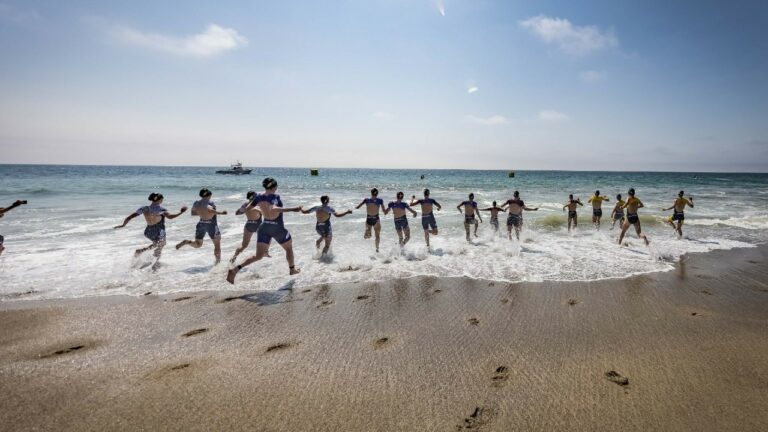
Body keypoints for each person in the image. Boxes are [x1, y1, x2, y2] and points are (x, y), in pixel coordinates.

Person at [228, 177, 302, 283]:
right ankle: (292, 270)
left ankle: (235, 270)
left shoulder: (258, 197)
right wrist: (293, 209)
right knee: (289, 248)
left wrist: (240, 211)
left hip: (264, 227)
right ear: (274, 186)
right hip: (276, 227)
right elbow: (274, 208)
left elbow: (245, 209)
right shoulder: (275, 196)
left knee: (258, 256)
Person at [114, 193, 186, 269]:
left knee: (157, 244)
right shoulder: (161, 209)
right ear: (160, 200)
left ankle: (142, 252)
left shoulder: (144, 208)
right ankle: (154, 264)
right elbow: (170, 217)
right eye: (162, 199)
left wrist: (123, 225)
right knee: (160, 245)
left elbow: (129, 217)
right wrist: (181, 212)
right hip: (159, 230)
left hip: (148, 231)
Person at [175, 188, 227, 264]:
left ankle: (187, 242)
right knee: (217, 245)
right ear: (209, 195)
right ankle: (217, 263)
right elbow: (210, 209)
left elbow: (193, 213)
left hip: (201, 224)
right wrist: (221, 213)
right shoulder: (211, 203)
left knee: (198, 245)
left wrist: (203, 213)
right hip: (211, 225)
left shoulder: (196, 203)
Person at [230, 191, 271, 263]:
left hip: (249, 225)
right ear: (253, 197)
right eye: (256, 196)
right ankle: (265, 251)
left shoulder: (245, 205)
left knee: (244, 246)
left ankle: (234, 257)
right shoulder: (257, 205)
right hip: (258, 225)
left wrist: (243, 210)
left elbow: (237, 213)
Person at [355, 188, 386, 252]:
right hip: (376, 219)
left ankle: (367, 231)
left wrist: (354, 208)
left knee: (367, 236)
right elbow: (384, 211)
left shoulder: (366, 200)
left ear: (371, 193)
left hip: (369, 218)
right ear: (377, 193)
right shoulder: (380, 200)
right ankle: (377, 249)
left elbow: (358, 207)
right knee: (377, 236)